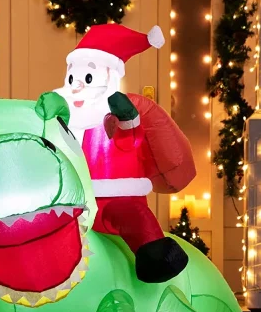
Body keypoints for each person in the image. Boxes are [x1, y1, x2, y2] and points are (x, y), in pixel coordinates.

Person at [55, 23, 196, 283]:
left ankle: (156, 257)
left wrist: (128, 119)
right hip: (74, 200)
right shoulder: (66, 117)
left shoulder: (119, 111)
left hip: (118, 197)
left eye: (87, 79)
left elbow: (129, 143)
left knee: (135, 217)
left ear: (110, 77)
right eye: (72, 79)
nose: (77, 87)